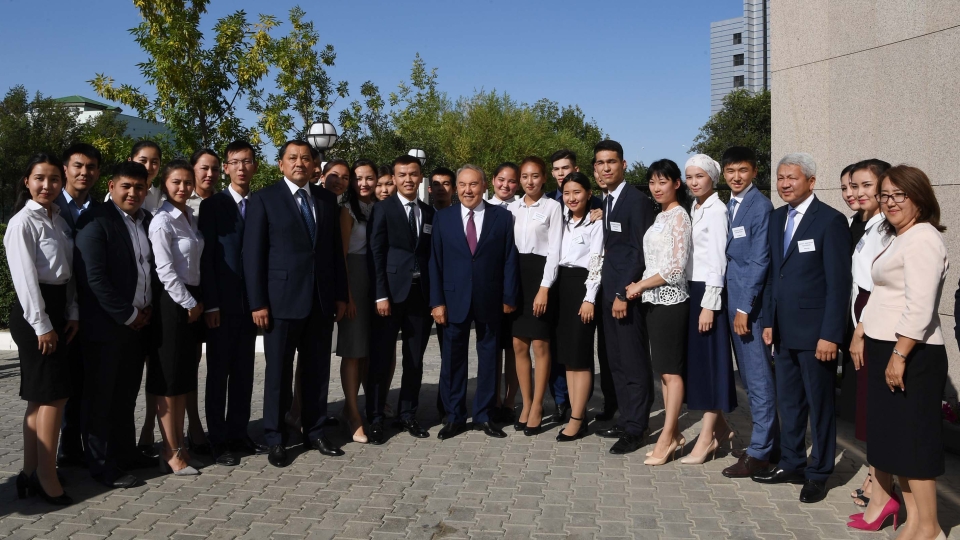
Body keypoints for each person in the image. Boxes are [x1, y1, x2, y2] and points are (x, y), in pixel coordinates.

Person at [848, 166, 948, 538]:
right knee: (896, 444)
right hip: (886, 346)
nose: (890, 202)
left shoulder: (923, 238)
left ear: (919, 199)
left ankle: (930, 526)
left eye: (898, 195)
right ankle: (914, 519)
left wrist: (900, 354)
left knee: (914, 443)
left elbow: (920, 305)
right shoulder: (899, 236)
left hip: (912, 353)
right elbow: (884, 294)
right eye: (885, 195)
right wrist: (861, 331)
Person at [243, 140, 348, 468]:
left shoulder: (326, 200)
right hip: (280, 302)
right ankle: (275, 437)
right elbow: (253, 255)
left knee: (317, 371)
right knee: (278, 372)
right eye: (293, 158)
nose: (299, 163)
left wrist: (341, 295)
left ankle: (314, 431)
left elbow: (334, 254)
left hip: (319, 300)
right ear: (281, 164)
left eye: (306, 158)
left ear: (315, 165)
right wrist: (257, 302)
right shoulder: (264, 199)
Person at [753, 152, 850, 504]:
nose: (784, 184)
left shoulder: (830, 221)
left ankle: (819, 472)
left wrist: (830, 334)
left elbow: (839, 285)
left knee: (820, 405)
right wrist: (768, 321)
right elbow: (771, 276)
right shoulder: (777, 218)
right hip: (782, 329)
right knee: (789, 402)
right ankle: (792, 462)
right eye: (780, 178)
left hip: (816, 334)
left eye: (791, 178)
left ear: (810, 181)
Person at [74, 161, 160, 489]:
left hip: (138, 325)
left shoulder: (146, 221)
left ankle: (125, 454)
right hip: (107, 327)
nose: (133, 193)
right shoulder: (95, 221)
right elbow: (94, 278)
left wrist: (145, 310)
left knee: (125, 396)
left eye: (139, 188)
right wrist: (128, 314)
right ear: (111, 187)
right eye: (126, 186)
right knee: (100, 399)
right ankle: (100, 464)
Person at [5, 154, 79, 504]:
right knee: (53, 395)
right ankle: (47, 477)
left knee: (39, 398)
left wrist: (72, 312)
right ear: (27, 181)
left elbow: (67, 273)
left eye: (53, 179)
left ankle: (31, 472)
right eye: (39, 179)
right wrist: (42, 325)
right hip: (36, 313)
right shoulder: (22, 223)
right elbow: (24, 280)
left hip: (57, 307)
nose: (47, 186)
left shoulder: (59, 220)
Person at [429, 164, 520, 440]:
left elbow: (509, 260)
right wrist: (437, 302)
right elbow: (435, 262)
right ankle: (454, 416)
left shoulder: (501, 218)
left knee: (489, 359)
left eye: (474, 184)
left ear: (484, 186)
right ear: (456, 188)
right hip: (453, 300)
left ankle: (484, 415)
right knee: (453, 361)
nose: (468, 190)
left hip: (489, 300)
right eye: (463, 185)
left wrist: (508, 297)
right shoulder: (443, 219)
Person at [198, 140, 266, 467]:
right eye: (235, 162)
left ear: (255, 166)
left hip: (251, 307)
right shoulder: (213, 206)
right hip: (221, 308)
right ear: (226, 167)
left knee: (243, 373)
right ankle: (218, 439)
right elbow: (207, 260)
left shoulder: (262, 204)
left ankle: (239, 432)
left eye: (247, 161)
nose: (241, 168)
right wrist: (210, 305)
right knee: (218, 375)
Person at [625, 159, 692, 466]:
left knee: (671, 372)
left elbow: (675, 269)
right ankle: (673, 432)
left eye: (663, 182)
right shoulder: (661, 216)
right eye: (652, 183)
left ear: (677, 183)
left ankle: (667, 437)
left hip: (671, 300)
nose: (656, 188)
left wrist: (640, 284)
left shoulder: (679, 217)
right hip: (654, 299)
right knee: (663, 373)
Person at [717, 147, 778, 479]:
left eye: (742, 170)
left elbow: (759, 260)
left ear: (754, 172)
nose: (736, 177)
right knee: (750, 378)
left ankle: (759, 453)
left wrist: (743, 308)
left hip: (747, 307)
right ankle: (767, 443)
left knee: (758, 380)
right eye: (730, 171)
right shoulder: (730, 206)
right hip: (731, 301)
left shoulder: (760, 206)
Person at [367, 155, 436, 444]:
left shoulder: (429, 213)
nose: (408, 179)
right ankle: (375, 417)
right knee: (381, 359)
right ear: (394, 179)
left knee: (414, 359)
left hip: (420, 296)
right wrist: (380, 294)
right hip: (390, 297)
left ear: (421, 178)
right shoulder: (382, 209)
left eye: (413, 174)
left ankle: (407, 413)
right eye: (402, 174)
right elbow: (376, 253)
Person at [593, 140, 656, 455]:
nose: (606, 167)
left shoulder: (637, 201)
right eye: (601, 162)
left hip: (625, 295)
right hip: (607, 294)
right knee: (614, 360)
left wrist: (623, 293)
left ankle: (637, 427)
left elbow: (640, 253)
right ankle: (626, 416)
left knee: (632, 361)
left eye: (612, 162)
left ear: (624, 164)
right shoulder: (605, 201)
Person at [147, 161, 205, 476]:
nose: (182, 188)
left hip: (190, 303)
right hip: (172, 304)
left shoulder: (190, 218)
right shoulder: (161, 220)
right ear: (165, 185)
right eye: (176, 182)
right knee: (168, 380)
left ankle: (179, 444)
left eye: (187, 182)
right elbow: (165, 270)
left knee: (183, 379)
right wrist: (188, 302)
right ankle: (171, 451)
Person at [285, 158, 351, 431]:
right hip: (293, 293)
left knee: (316, 361)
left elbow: (338, 256)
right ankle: (294, 413)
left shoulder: (336, 207)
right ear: (321, 175)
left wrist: (341, 294)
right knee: (294, 361)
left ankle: (311, 416)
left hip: (324, 293)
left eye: (345, 178)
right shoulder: (302, 200)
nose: (339, 181)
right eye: (333, 175)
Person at [679, 155, 736, 464]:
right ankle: (722, 429)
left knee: (711, 365)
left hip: (707, 292)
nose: (694, 182)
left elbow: (717, 259)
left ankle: (706, 439)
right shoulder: (697, 207)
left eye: (699, 176)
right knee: (700, 364)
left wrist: (709, 306)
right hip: (694, 288)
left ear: (712, 178)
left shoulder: (716, 211)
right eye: (689, 176)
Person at [843, 159, 891, 508]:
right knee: (868, 408)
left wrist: (860, 330)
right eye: (851, 187)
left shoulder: (886, 228)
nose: (857, 193)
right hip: (864, 320)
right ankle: (876, 475)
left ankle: (880, 483)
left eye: (864, 186)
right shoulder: (867, 226)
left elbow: (879, 286)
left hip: (874, 324)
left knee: (877, 408)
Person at [508, 156, 563, 436]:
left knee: (540, 346)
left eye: (535, 176)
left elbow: (555, 250)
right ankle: (526, 403)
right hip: (516, 277)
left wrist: (545, 287)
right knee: (519, 345)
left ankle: (540, 405)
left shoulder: (553, 207)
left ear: (544, 179)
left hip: (541, 277)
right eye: (525, 177)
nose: (530, 181)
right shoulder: (511, 207)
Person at [54, 143, 101, 468]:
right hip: (57, 311)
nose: (84, 172)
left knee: (87, 383)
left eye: (91, 167)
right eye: (78, 166)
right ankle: (53, 455)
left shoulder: (99, 210)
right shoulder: (48, 206)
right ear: (65, 168)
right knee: (58, 387)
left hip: (92, 312)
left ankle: (77, 447)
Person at [553, 172, 603, 442]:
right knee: (568, 357)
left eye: (577, 192)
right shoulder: (561, 219)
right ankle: (577, 411)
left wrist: (589, 298)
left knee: (580, 355)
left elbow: (597, 262)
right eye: (567, 193)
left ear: (588, 193)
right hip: (561, 286)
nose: (572, 198)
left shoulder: (596, 223)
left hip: (582, 288)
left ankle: (578, 418)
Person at [333, 159, 377, 446]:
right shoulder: (347, 210)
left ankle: (357, 406)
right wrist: (346, 295)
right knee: (352, 350)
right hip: (354, 279)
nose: (363, 183)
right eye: (358, 178)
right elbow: (342, 254)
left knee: (367, 352)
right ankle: (352, 412)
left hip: (377, 281)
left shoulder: (381, 206)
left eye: (369, 178)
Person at [126, 140, 165, 459]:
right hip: (130, 300)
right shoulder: (123, 196)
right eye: (143, 160)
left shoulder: (163, 196)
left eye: (154, 162)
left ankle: (149, 430)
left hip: (159, 295)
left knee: (157, 370)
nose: (149, 166)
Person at [489, 162, 521, 423]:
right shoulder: (483, 207)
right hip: (490, 287)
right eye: (501, 180)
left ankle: (510, 401)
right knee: (492, 346)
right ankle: (493, 399)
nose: (505, 185)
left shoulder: (523, 208)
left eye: (511, 181)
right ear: (492, 180)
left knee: (513, 347)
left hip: (517, 286)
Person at [838, 162, 864, 428]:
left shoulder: (883, 228)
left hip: (866, 322)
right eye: (845, 187)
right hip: (849, 317)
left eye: (857, 186)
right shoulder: (848, 223)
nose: (850, 193)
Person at [591, 161, 617, 423]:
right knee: (603, 350)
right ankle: (609, 402)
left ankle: (619, 403)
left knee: (615, 349)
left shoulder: (611, 203)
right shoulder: (594, 205)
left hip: (614, 287)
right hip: (591, 287)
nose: (602, 173)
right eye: (597, 169)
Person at [189, 148, 220, 214]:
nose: (210, 174)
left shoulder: (224, 201)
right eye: (204, 168)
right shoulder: (183, 200)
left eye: (215, 169)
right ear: (192, 169)